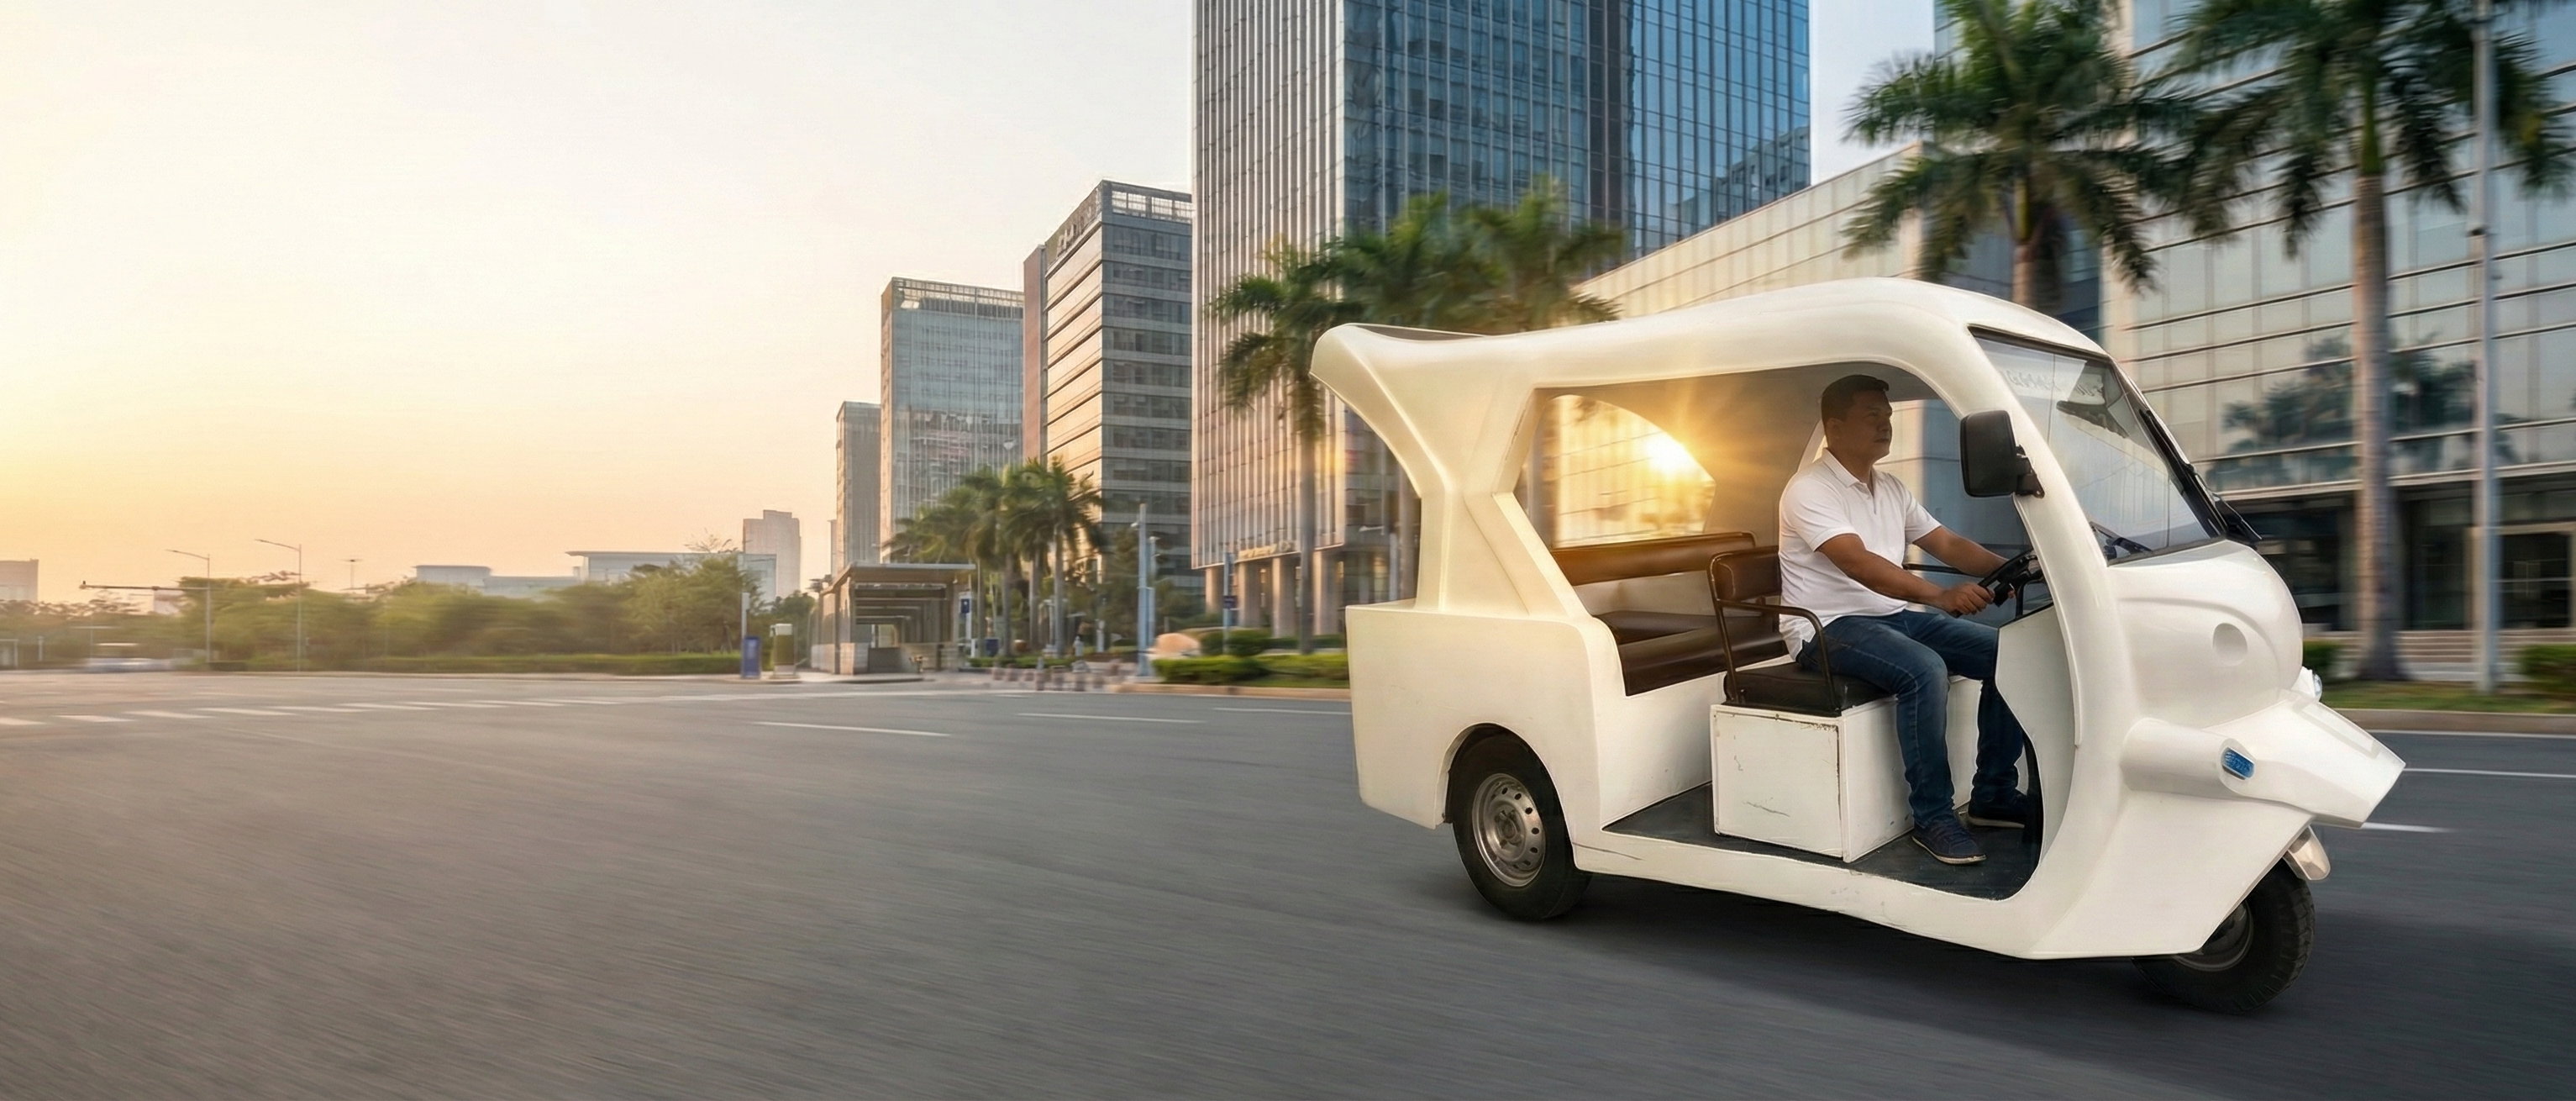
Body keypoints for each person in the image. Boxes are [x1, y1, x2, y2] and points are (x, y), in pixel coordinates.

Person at [1777, 374, 2031, 866]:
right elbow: (1859, 563)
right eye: (1872, 415)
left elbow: (1949, 544)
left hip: (1892, 616)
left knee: (2012, 655)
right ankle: (1933, 817)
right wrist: (1941, 596)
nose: (1885, 425)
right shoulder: (1809, 489)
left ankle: (1993, 794)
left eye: (1888, 416)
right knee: (1925, 669)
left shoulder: (1890, 487)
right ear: (1834, 426)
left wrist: (2027, 566)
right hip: (1826, 628)